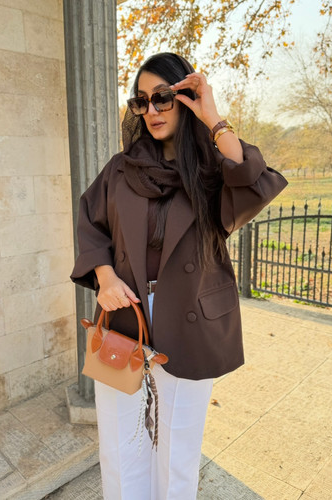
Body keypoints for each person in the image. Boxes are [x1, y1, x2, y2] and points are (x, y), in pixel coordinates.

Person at [70, 52, 287, 500]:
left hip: (191, 317)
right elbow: (91, 222)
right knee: (121, 444)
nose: (151, 110)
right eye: (141, 101)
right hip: (125, 318)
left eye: (163, 97)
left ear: (184, 98)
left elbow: (254, 182)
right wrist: (105, 277)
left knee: (177, 451)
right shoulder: (120, 169)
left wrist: (213, 116)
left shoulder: (211, 169)